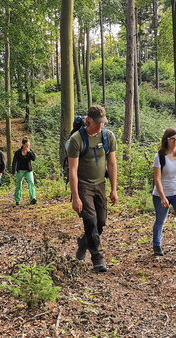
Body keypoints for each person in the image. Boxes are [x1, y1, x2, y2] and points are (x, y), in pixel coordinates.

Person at [67, 105, 118, 273]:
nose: (100, 126)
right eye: (97, 123)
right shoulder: (77, 140)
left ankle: (83, 243)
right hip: (83, 185)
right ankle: (98, 259)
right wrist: (75, 197)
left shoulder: (108, 136)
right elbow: (72, 170)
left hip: (100, 185)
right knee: (91, 222)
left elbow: (112, 163)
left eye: (103, 123)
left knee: (101, 222)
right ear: (88, 120)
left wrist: (114, 189)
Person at [152, 128, 176, 264]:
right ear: (167, 140)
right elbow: (157, 179)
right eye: (173, 139)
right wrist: (162, 197)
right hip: (161, 193)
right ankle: (156, 244)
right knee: (161, 220)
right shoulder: (159, 156)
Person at [12, 137, 37, 205]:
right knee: (18, 184)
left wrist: (30, 152)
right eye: (26, 146)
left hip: (28, 170)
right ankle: (17, 200)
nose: (28, 147)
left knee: (31, 183)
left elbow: (34, 158)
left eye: (29, 146)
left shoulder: (30, 151)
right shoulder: (17, 152)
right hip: (20, 170)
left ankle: (33, 198)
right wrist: (13, 171)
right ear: (23, 145)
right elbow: (14, 162)